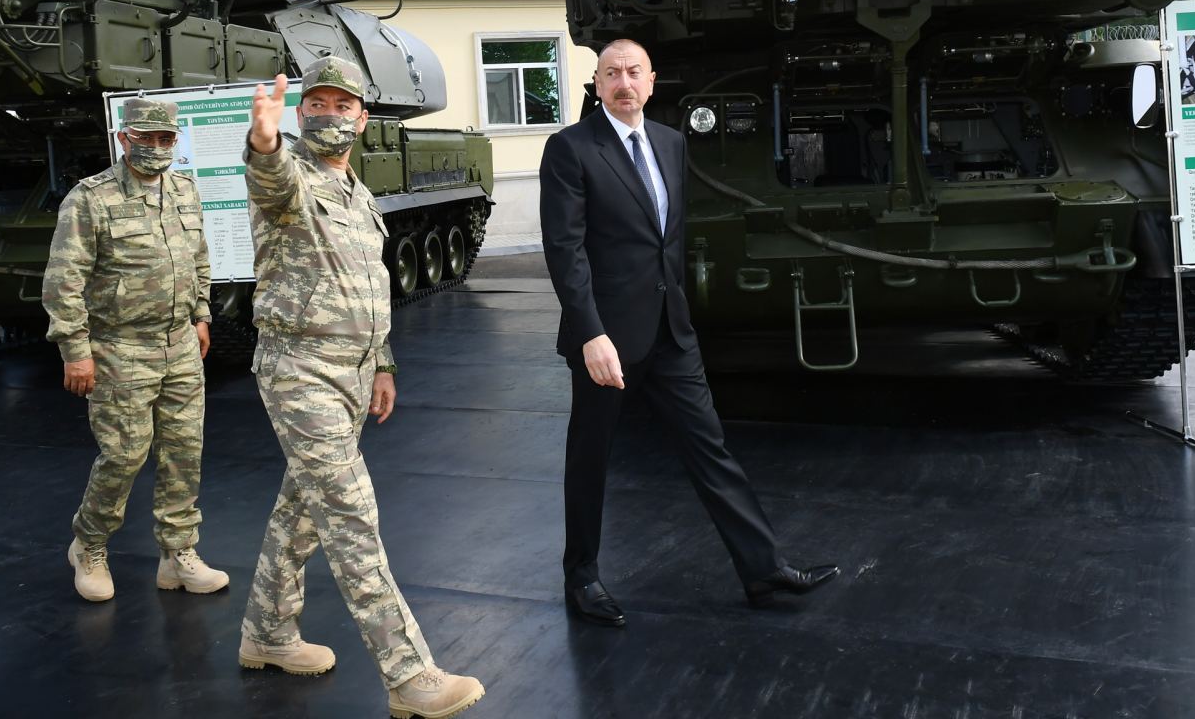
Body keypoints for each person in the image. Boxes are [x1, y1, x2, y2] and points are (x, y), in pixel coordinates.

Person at [539, 38, 839, 628]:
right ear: (597, 84)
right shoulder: (570, 148)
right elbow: (564, 250)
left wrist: (678, 310)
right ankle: (582, 578)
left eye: (633, 72)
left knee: (712, 450)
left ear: (652, 81)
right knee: (590, 459)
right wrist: (589, 333)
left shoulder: (672, 144)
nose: (623, 82)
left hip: (671, 331)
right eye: (611, 73)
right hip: (607, 340)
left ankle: (763, 569)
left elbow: (666, 240)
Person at [238, 56, 485, 719]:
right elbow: (269, 179)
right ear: (299, 114)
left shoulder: (359, 195)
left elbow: (369, 288)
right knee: (350, 516)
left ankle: (266, 631)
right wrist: (262, 144)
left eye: (342, 105)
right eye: (316, 104)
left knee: (300, 513)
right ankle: (408, 674)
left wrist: (382, 364)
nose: (329, 114)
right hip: (300, 373)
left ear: (362, 118)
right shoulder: (292, 181)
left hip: (352, 374)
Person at [43, 96, 228, 603]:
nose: (154, 147)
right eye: (143, 138)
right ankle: (89, 544)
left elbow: (199, 258)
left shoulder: (185, 190)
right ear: (123, 139)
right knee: (124, 455)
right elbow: (64, 280)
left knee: (184, 453)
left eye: (164, 138)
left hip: (180, 347)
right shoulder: (90, 198)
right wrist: (75, 349)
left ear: (175, 141)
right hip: (118, 347)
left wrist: (201, 313)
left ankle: (178, 553)